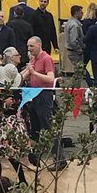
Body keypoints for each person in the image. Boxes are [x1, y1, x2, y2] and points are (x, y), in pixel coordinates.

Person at [20, 36, 65, 168]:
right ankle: (34, 158)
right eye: (28, 46)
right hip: (33, 94)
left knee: (48, 126)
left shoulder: (46, 59)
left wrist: (34, 72)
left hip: (44, 95)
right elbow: (27, 74)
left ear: (39, 45)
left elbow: (51, 78)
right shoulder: (33, 59)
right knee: (35, 127)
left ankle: (59, 159)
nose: (29, 49)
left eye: (31, 46)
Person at [63, 5, 87, 84]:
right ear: (76, 13)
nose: (82, 14)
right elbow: (73, 41)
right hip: (75, 52)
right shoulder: (75, 25)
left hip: (71, 51)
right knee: (78, 72)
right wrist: (79, 49)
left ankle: (74, 88)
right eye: (81, 12)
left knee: (78, 72)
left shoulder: (69, 22)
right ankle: (75, 89)